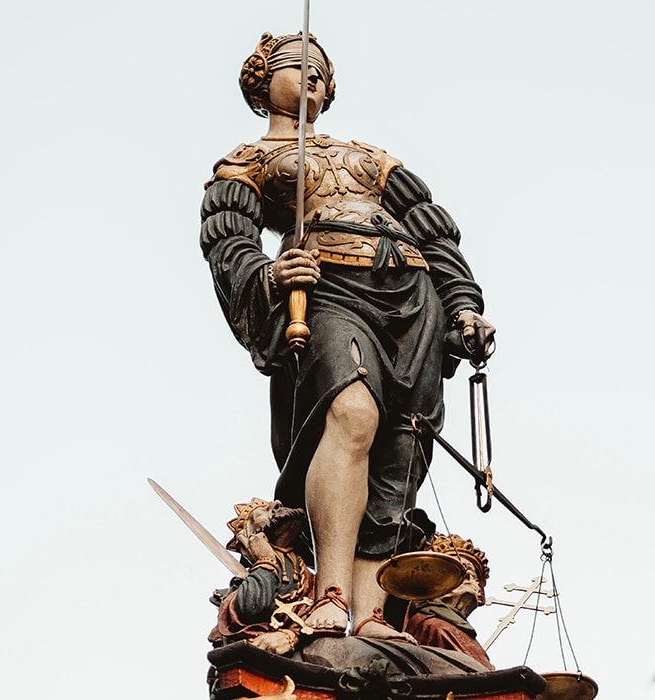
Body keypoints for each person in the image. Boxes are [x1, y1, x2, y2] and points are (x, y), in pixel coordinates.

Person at [200, 32, 495, 641]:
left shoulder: (370, 156)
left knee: (400, 445)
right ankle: (330, 593)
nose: (312, 74)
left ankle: (372, 611)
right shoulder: (246, 162)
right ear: (261, 81)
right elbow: (228, 240)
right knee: (353, 413)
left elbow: (432, 230)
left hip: (411, 294)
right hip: (329, 288)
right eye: (296, 65)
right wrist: (270, 274)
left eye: (321, 69)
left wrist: (464, 304)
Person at [214, 498, 314, 655]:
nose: (277, 504)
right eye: (262, 512)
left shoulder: (308, 576)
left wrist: (291, 635)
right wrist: (265, 561)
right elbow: (253, 610)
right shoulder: (240, 590)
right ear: (249, 536)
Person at [404, 534, 494, 670]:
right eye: (458, 572)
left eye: (473, 576)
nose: (468, 579)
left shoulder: (457, 629)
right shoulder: (434, 626)